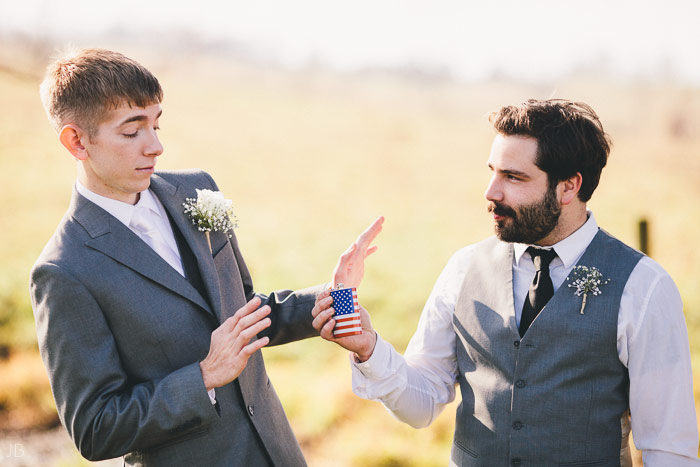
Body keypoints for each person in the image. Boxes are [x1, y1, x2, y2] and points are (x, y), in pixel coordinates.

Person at [30, 48, 382, 467]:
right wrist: (202, 377)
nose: (156, 146)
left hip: (277, 453)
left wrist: (334, 298)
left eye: (157, 124)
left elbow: (246, 312)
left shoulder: (197, 190)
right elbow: (95, 428)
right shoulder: (63, 271)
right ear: (76, 141)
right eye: (132, 132)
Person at [312, 99, 700, 466]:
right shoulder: (463, 269)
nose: (491, 192)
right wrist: (369, 348)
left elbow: (668, 448)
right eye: (492, 172)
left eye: (513, 177)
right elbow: (422, 402)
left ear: (569, 186)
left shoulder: (644, 288)